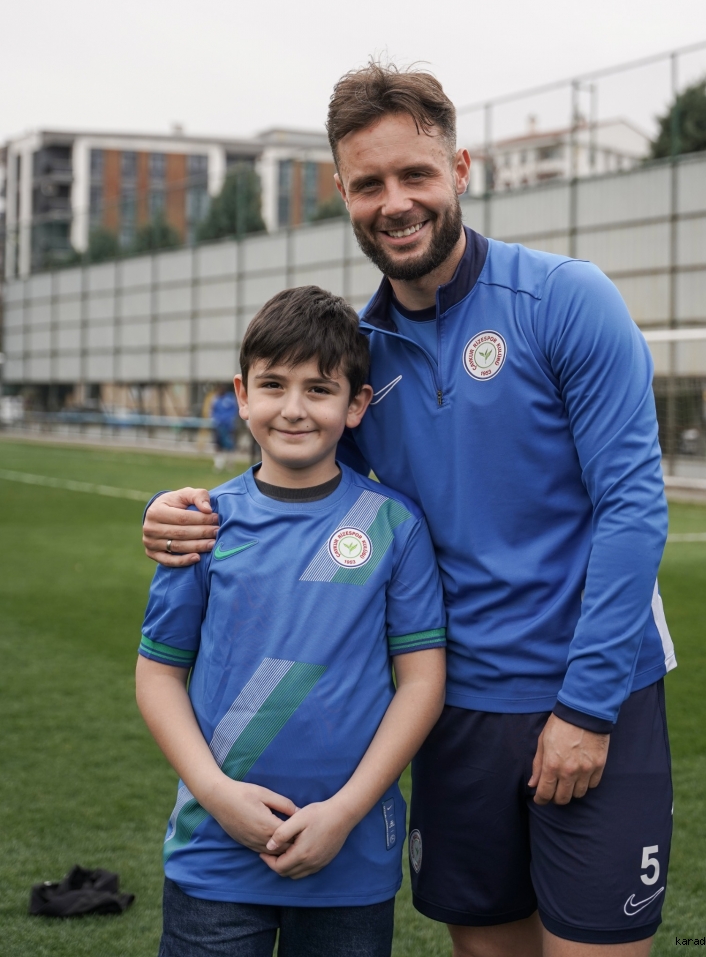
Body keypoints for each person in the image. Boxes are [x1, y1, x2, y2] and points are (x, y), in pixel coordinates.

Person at [143, 64, 676, 957]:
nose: (395, 203)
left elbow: (633, 507)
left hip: (592, 693)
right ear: (343, 193)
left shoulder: (566, 300)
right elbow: (295, 486)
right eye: (369, 184)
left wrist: (587, 710)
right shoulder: (357, 357)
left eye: (416, 174)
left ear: (460, 170)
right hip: (453, 711)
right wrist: (182, 512)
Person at [136, 285, 446, 957]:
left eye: (320, 388)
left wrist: (344, 811)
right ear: (242, 395)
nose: (294, 408)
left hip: (348, 852)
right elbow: (158, 675)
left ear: (356, 404)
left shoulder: (394, 526)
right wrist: (216, 794)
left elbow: (423, 683)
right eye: (273, 385)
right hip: (214, 852)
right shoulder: (200, 525)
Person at [209, 384, 240, 470]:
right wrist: (215, 420)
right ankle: (218, 464)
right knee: (218, 445)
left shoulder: (230, 399)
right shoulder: (215, 399)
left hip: (229, 426)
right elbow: (212, 411)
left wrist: (229, 420)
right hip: (218, 426)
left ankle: (230, 463)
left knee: (230, 445)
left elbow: (234, 410)